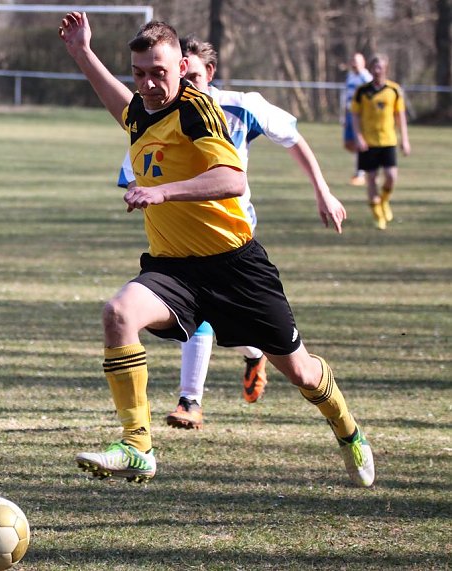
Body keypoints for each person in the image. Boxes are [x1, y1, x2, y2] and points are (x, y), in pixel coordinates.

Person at [58, 12, 374, 487]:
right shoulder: (144, 109)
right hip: (174, 270)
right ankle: (137, 445)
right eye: (139, 73)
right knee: (118, 314)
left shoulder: (196, 108)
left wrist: (163, 192)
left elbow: (233, 178)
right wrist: (83, 52)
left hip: (236, 268)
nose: (147, 84)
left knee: (304, 375)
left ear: (181, 67)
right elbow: (122, 106)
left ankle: (348, 431)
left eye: (158, 72)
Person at [117, 36, 347, 430]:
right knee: (184, 319)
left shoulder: (241, 106)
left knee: (278, 354)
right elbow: (135, 162)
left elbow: (293, 140)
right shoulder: (158, 114)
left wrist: (323, 191)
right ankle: (189, 402)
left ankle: (257, 356)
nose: (182, 85)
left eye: (189, 76)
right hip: (182, 249)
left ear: (208, 72)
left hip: (236, 240)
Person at [351, 54, 411, 230]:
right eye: (374, 67)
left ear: (386, 69)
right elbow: (354, 115)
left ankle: (383, 201)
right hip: (368, 142)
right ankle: (378, 214)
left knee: (391, 177)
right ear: (370, 69)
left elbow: (400, 116)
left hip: (388, 140)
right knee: (371, 179)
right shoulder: (362, 91)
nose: (377, 71)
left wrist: (404, 139)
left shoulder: (394, 90)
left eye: (380, 67)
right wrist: (358, 136)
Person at [342, 53, 373, 186]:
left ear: (363, 63)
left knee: (359, 144)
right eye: (352, 61)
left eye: (356, 61)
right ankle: (367, 165)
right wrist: (343, 115)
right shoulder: (350, 76)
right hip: (349, 113)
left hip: (360, 115)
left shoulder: (366, 78)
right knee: (349, 144)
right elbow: (345, 96)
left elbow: (371, 97)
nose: (354, 64)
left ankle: (360, 173)